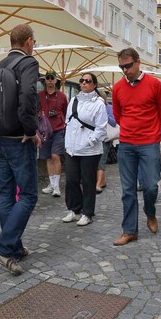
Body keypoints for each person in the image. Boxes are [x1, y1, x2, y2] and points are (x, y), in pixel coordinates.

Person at [0, 24, 41, 275]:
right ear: (29, 41)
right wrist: (31, 131)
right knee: (29, 195)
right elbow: (29, 96)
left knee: (7, 194)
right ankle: (3, 246)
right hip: (18, 138)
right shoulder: (28, 63)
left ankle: (15, 246)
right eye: (34, 42)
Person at [111, 48, 161, 246]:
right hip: (126, 143)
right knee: (128, 189)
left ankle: (150, 213)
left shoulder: (154, 84)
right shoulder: (117, 88)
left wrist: (152, 133)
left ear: (138, 62)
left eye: (127, 66)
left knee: (151, 186)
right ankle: (129, 231)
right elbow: (118, 115)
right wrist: (129, 130)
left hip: (148, 143)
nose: (125, 70)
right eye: (121, 67)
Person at [61, 72, 108, 227]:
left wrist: (90, 141)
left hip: (89, 150)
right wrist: (67, 142)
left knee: (88, 181)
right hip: (72, 148)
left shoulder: (99, 104)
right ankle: (75, 210)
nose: (83, 83)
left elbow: (101, 128)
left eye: (87, 81)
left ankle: (87, 213)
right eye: (81, 81)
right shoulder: (73, 100)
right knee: (71, 180)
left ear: (94, 84)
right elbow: (68, 122)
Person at [39, 71, 69, 198]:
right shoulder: (39, 95)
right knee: (48, 158)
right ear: (45, 80)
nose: (50, 80)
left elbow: (66, 112)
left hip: (58, 129)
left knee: (55, 156)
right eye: (48, 78)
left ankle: (56, 186)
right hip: (45, 130)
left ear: (56, 80)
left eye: (52, 78)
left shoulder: (62, 96)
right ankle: (51, 184)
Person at [96, 91, 117, 194]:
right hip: (95, 138)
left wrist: (104, 114)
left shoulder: (108, 108)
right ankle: (102, 181)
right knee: (97, 161)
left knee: (101, 161)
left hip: (105, 138)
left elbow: (113, 122)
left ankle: (98, 184)